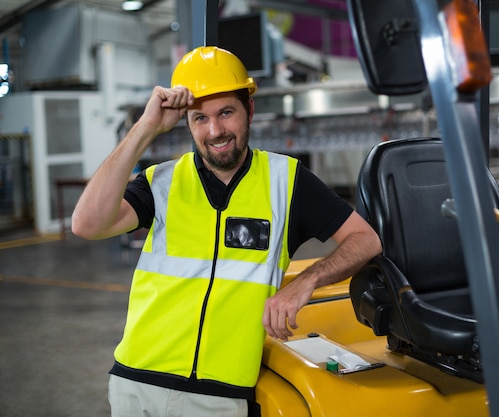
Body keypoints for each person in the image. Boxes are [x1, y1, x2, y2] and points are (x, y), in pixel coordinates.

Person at [71, 46, 382, 417]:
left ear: (249, 110)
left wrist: (306, 280)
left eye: (226, 113)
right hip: (136, 386)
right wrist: (145, 128)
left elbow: (367, 239)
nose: (215, 130)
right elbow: (86, 224)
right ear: (186, 122)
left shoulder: (287, 181)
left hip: (219, 398)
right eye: (200, 118)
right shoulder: (161, 183)